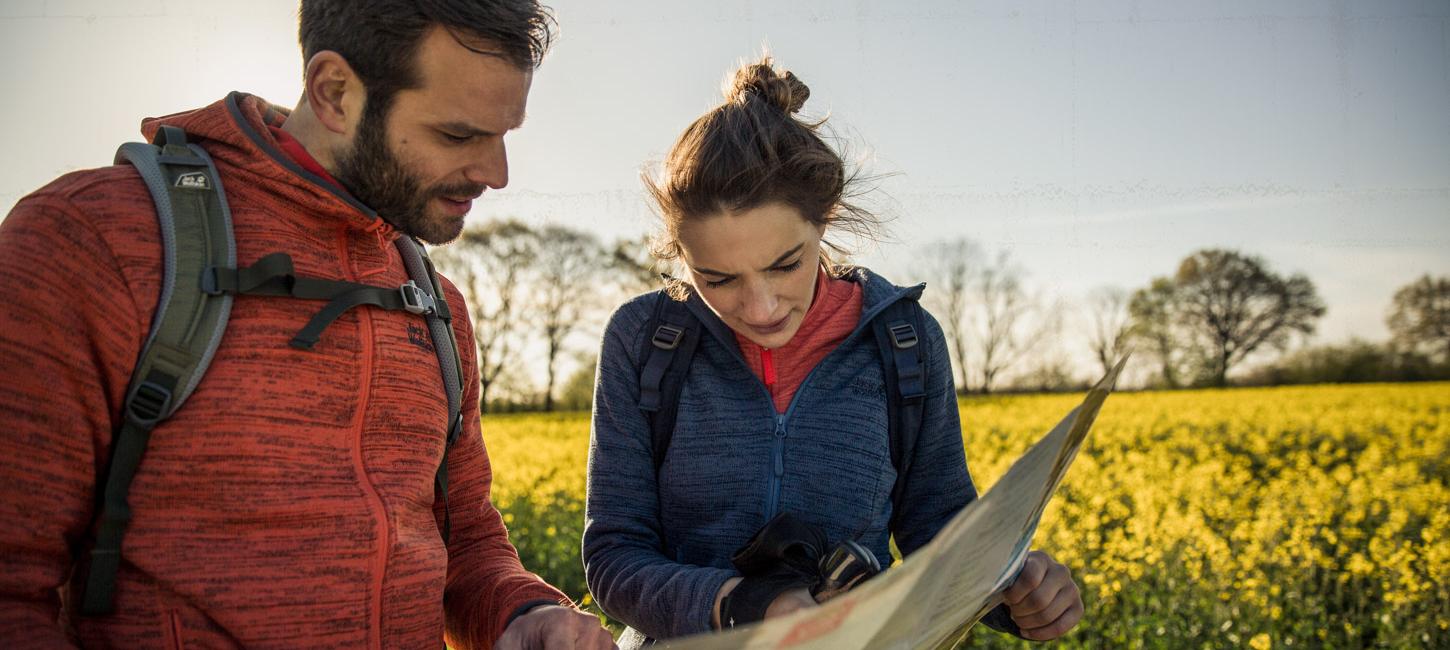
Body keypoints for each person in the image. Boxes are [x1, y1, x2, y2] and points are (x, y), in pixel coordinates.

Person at [0, 2, 613, 649]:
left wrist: (524, 614)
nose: (497, 174)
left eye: (504, 133)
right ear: (335, 93)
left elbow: (467, 539)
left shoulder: (435, 303)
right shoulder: (93, 239)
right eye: (458, 136)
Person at [582, 57, 1084, 647]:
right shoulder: (644, 340)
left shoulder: (907, 343)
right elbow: (614, 557)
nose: (760, 307)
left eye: (785, 265)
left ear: (826, 216)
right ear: (678, 254)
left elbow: (940, 535)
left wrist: (1015, 590)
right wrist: (746, 606)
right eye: (716, 279)